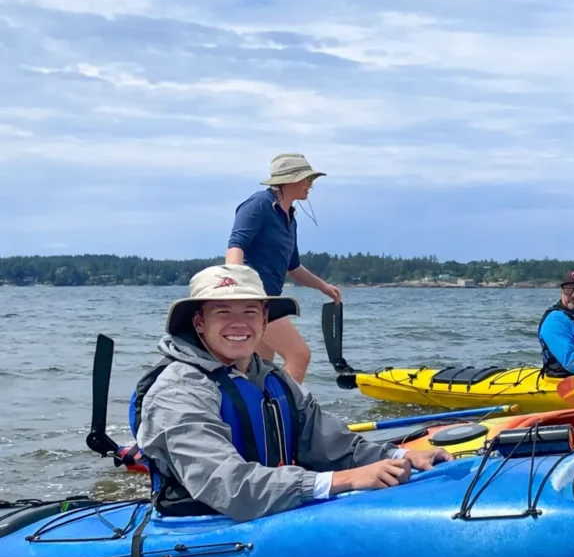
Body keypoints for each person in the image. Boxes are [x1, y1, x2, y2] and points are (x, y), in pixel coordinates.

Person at [134, 264, 450, 523]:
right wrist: (347, 480)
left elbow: (333, 446)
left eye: (250, 312)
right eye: (223, 313)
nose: (239, 324)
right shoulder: (178, 391)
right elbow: (230, 486)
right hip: (208, 524)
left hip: (273, 513)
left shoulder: (273, 378)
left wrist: (401, 456)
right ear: (199, 322)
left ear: (264, 319)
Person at [226, 153, 341, 383]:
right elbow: (235, 246)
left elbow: (294, 267)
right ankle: (291, 415)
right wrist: (238, 290)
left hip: (269, 300)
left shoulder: (290, 218)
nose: (310, 185)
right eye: (307, 179)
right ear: (289, 181)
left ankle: (257, 415)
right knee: (299, 355)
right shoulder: (258, 204)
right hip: (256, 300)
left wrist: (324, 287)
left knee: (258, 370)